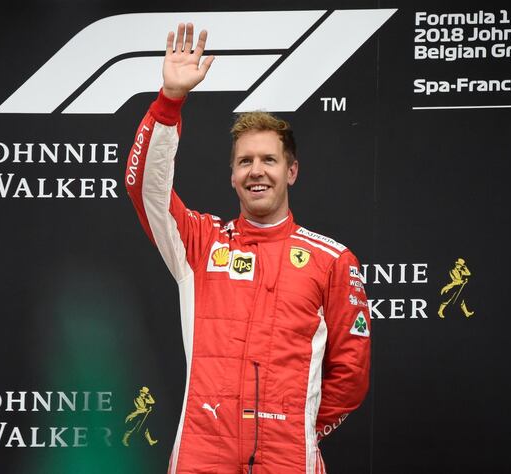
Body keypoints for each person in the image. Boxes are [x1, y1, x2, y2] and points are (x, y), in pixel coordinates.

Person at [125, 24, 371, 474]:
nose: (257, 171)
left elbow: (350, 375)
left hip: (288, 455)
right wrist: (169, 102)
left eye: (269, 160)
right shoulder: (200, 244)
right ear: (233, 175)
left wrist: (300, 426)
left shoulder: (332, 260)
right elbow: (146, 189)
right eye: (245, 161)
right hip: (203, 452)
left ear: (291, 171)